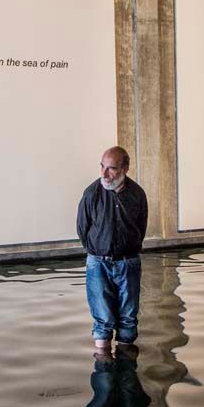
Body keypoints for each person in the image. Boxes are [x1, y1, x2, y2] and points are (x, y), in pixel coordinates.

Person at [76, 146, 148, 350]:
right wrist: (98, 251)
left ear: (125, 168)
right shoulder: (91, 194)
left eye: (112, 168)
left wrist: (128, 250)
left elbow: (140, 228)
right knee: (102, 321)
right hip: (98, 263)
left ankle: (126, 370)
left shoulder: (137, 194)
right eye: (102, 167)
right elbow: (83, 229)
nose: (104, 174)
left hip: (129, 262)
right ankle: (104, 367)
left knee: (128, 319)